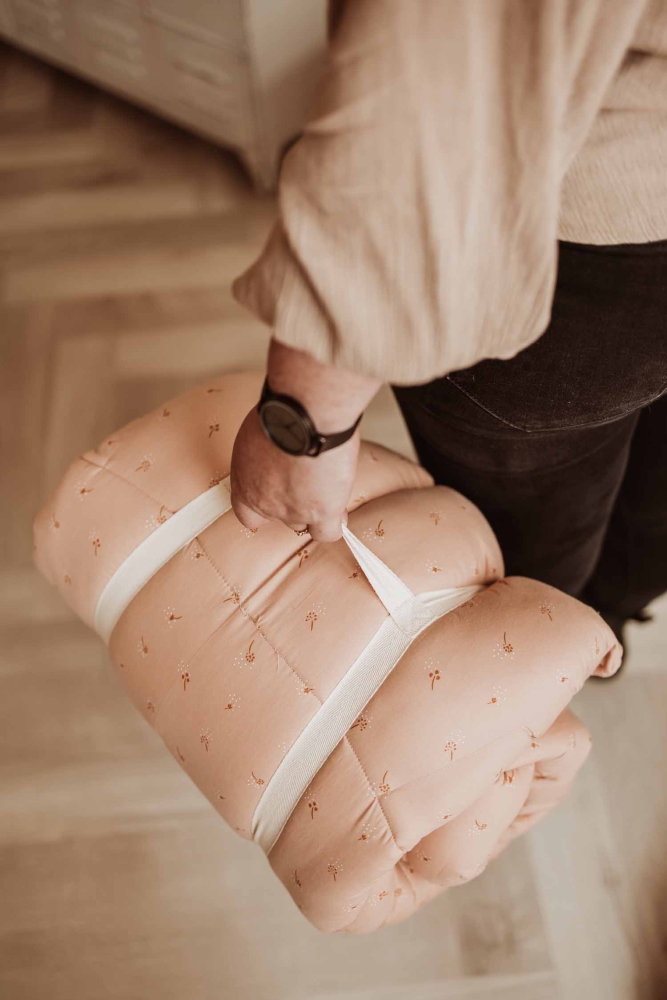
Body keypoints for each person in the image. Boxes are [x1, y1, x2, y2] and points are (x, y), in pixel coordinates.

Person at [229, 0, 667, 662]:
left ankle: (551, 659)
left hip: (572, 240)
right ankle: (604, 623)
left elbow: (436, 87)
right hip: (624, 201)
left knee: (529, 560)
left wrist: (302, 426)